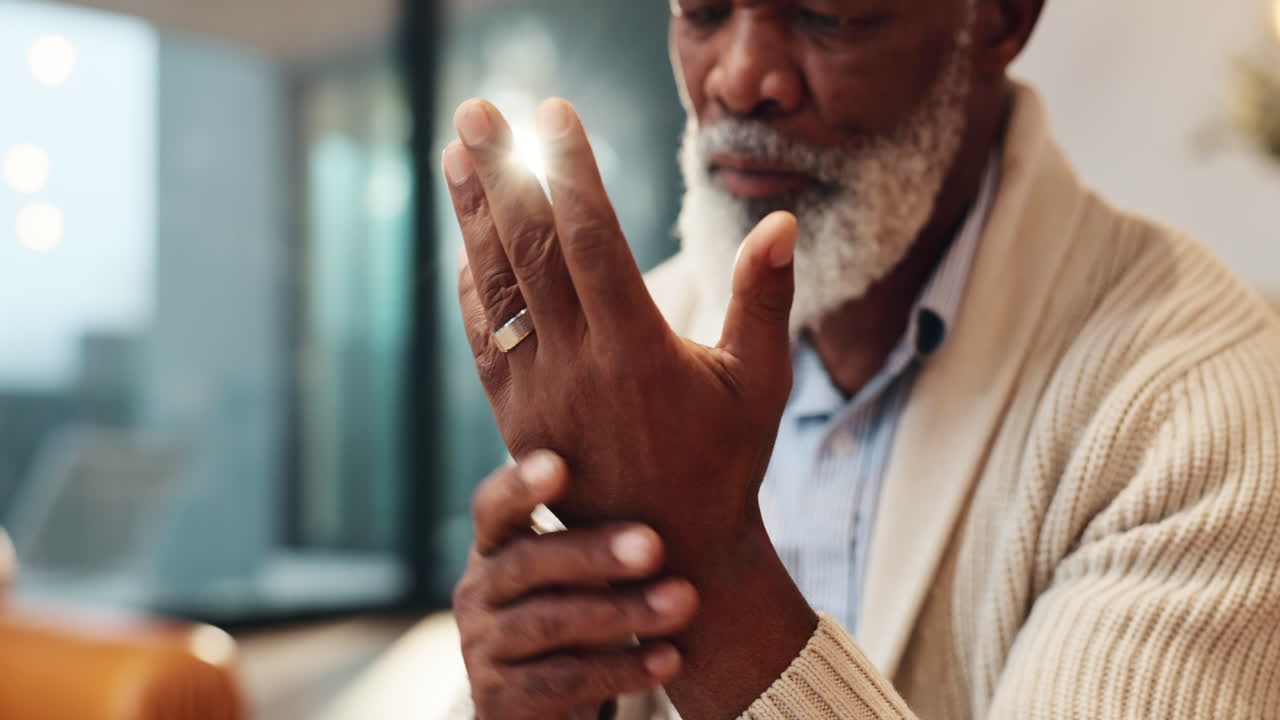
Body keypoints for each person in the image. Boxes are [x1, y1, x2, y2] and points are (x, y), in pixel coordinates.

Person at [441, 0, 1280, 718]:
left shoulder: (1202, 402)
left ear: (1002, 17)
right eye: (701, 10)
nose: (737, 79)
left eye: (827, 15)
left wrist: (713, 569)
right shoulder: (635, 350)